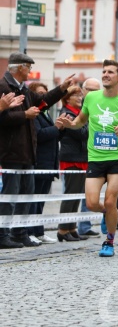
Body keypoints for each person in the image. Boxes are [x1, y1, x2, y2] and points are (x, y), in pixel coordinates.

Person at [57, 59, 118, 257]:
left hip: (117, 158)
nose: (105, 74)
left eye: (110, 72)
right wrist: (68, 124)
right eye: (104, 71)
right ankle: (109, 214)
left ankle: (109, 241)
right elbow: (80, 121)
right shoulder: (91, 98)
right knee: (91, 203)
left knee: (111, 200)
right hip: (96, 158)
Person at [0, 52, 75, 249]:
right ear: (19, 68)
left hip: (26, 152)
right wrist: (24, 114)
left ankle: (20, 233)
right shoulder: (3, 87)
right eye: (28, 67)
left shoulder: (22, 89)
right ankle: (2, 234)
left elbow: (43, 99)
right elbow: (2, 119)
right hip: (11, 152)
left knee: (27, 195)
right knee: (10, 196)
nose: (31, 71)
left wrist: (62, 88)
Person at [27, 82, 60, 244]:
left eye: (45, 93)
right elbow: (39, 135)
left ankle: (39, 231)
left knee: (41, 200)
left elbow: (53, 136)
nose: (43, 96)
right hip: (39, 162)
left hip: (48, 163)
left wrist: (62, 128)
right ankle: (30, 231)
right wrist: (57, 128)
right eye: (40, 93)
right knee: (34, 200)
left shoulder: (45, 113)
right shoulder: (34, 114)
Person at [57, 85, 90, 242]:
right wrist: (90, 122)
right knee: (70, 195)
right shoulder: (67, 114)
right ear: (67, 98)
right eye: (75, 96)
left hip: (80, 158)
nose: (79, 98)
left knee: (76, 196)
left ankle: (71, 227)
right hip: (71, 159)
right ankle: (63, 229)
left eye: (80, 95)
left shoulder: (78, 113)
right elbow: (82, 133)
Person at [77, 78, 102, 237]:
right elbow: (79, 131)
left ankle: (84, 226)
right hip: (77, 157)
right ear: (83, 90)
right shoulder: (76, 107)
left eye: (96, 90)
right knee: (73, 195)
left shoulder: (99, 107)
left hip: (94, 157)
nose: (92, 93)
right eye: (89, 89)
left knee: (90, 194)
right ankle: (69, 227)